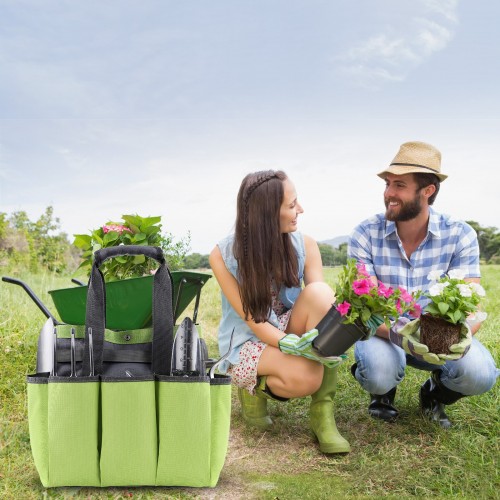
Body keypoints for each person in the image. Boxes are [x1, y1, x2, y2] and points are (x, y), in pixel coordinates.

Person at [348, 141, 499, 428]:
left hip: (438, 337)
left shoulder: (460, 234)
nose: (389, 193)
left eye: (400, 185)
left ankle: (434, 393)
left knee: (480, 374)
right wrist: (404, 336)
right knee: (379, 372)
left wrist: (442, 342)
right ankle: (383, 392)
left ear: (427, 191)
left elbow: (471, 308)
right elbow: (361, 309)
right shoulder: (365, 233)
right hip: (384, 333)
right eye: (388, 184)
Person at [209, 169, 350, 454]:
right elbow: (256, 322)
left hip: (288, 323)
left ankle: (323, 415)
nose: (300, 210)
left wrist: (345, 327)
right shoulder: (222, 256)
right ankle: (253, 389)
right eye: (291, 205)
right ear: (266, 213)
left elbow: (323, 308)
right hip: (249, 338)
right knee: (306, 377)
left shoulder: (305, 244)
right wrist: (291, 346)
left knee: (321, 293)